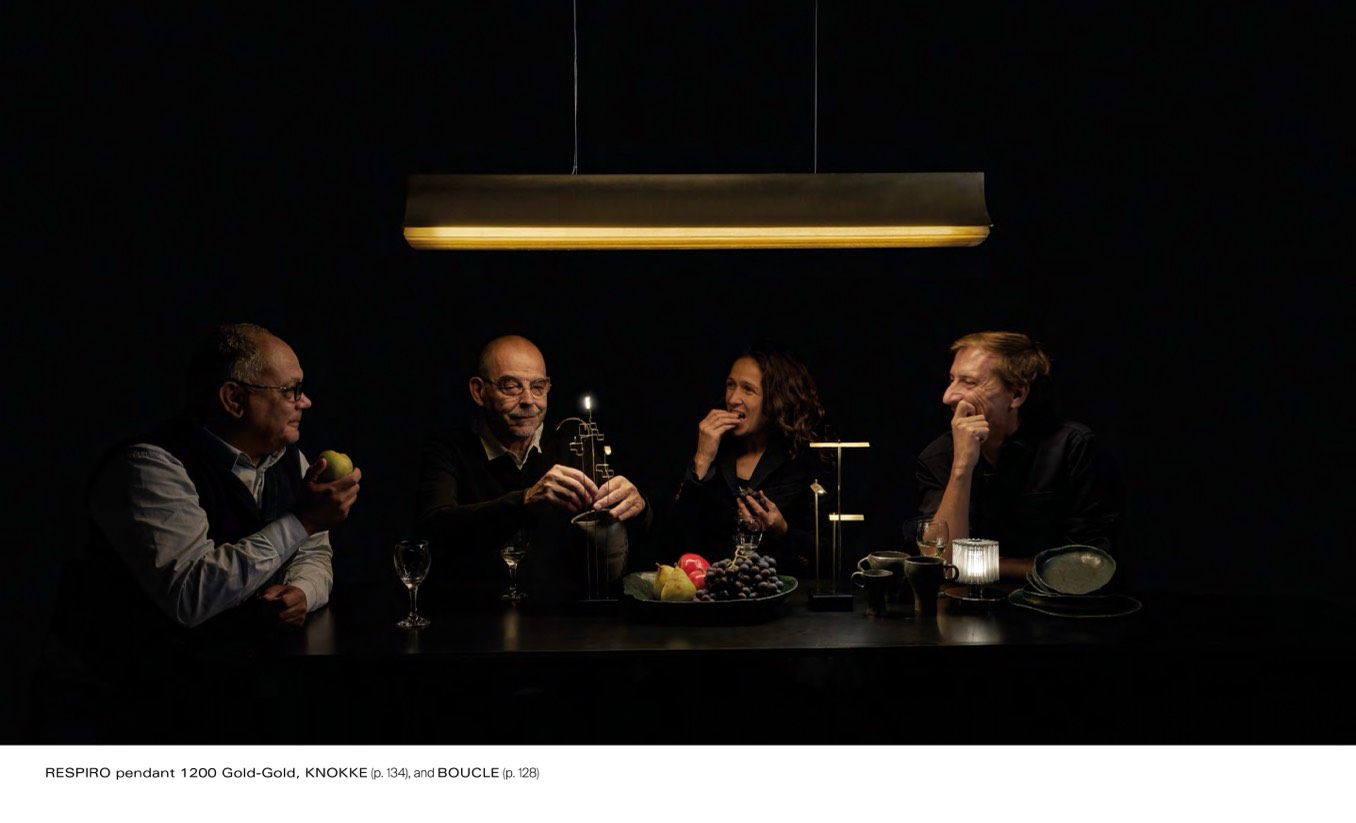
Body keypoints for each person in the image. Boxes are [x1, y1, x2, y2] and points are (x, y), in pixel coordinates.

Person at [40, 321, 361, 741]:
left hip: (233, 695)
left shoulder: (290, 460)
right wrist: (302, 520)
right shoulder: (149, 467)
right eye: (290, 390)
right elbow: (190, 596)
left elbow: (314, 553)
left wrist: (302, 590)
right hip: (132, 709)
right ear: (234, 398)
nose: (305, 401)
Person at [414, 334, 650, 603]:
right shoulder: (448, 449)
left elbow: (626, 532)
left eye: (538, 387)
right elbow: (433, 530)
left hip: (562, 617)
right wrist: (524, 501)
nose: (529, 400)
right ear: (479, 391)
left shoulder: (573, 443)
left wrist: (638, 507)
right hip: (474, 615)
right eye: (511, 386)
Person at [913, 331, 1121, 581]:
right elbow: (942, 564)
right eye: (952, 379)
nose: (948, 396)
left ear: (1016, 394)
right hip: (964, 603)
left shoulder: (1072, 447)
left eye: (969, 383)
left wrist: (972, 565)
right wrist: (962, 468)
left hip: (1054, 603)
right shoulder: (939, 456)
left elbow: (1089, 564)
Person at [665, 342, 835, 578]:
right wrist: (702, 459)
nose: (733, 398)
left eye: (748, 389)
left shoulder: (804, 461)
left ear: (776, 399)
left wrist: (783, 531)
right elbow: (673, 540)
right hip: (710, 594)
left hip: (781, 595)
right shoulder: (710, 448)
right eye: (730, 385)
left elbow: (831, 554)